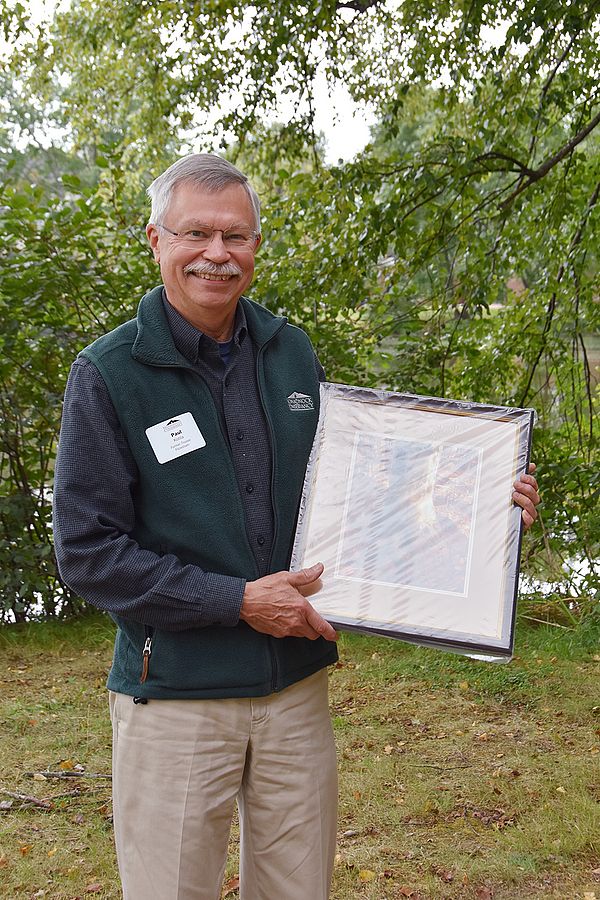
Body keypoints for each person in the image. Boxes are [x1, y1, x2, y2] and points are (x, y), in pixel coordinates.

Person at [52, 153, 540, 900]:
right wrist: (237, 602)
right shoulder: (110, 373)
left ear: (255, 248)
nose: (218, 254)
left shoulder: (291, 352)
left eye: (237, 237)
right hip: (178, 695)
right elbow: (89, 555)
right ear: (155, 240)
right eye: (197, 234)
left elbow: (365, 493)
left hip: (294, 697)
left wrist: (479, 501)